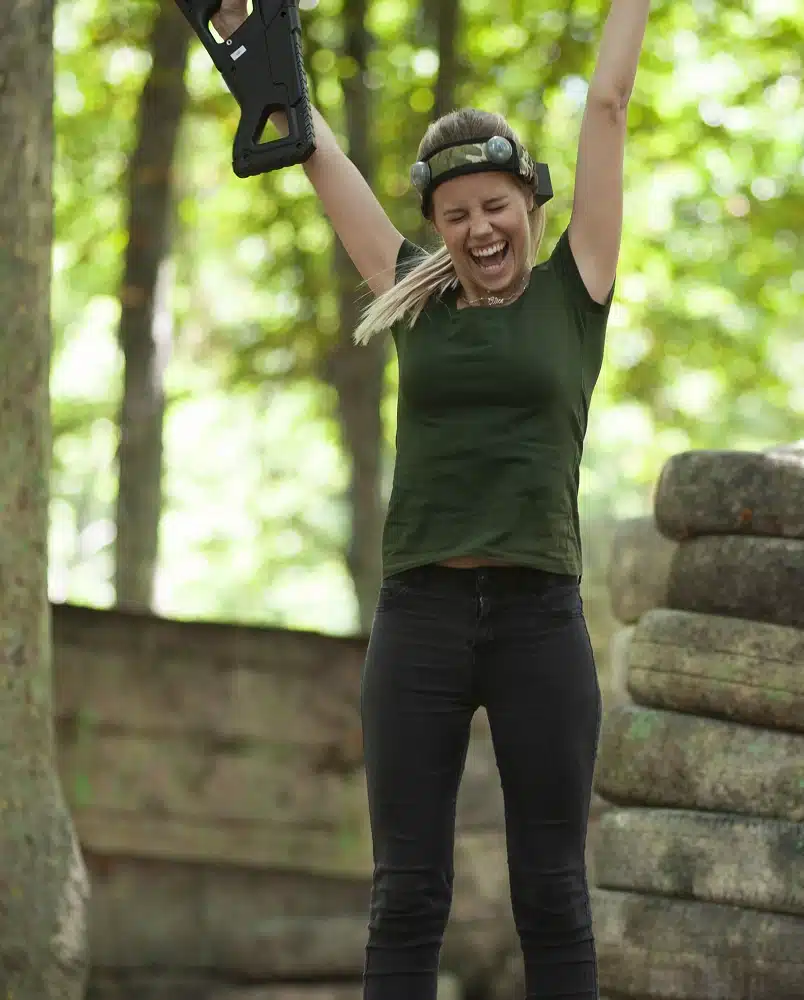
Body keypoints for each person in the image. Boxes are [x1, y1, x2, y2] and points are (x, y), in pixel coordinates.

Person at [210, 2, 649, 997]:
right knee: (406, 895)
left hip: (540, 620)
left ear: (528, 203)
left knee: (552, 895)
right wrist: (265, 66)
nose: (477, 229)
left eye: (494, 206)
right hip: (423, 620)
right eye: (454, 216)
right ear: (437, 229)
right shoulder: (410, 294)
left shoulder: (575, 290)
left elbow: (610, 106)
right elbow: (312, 145)